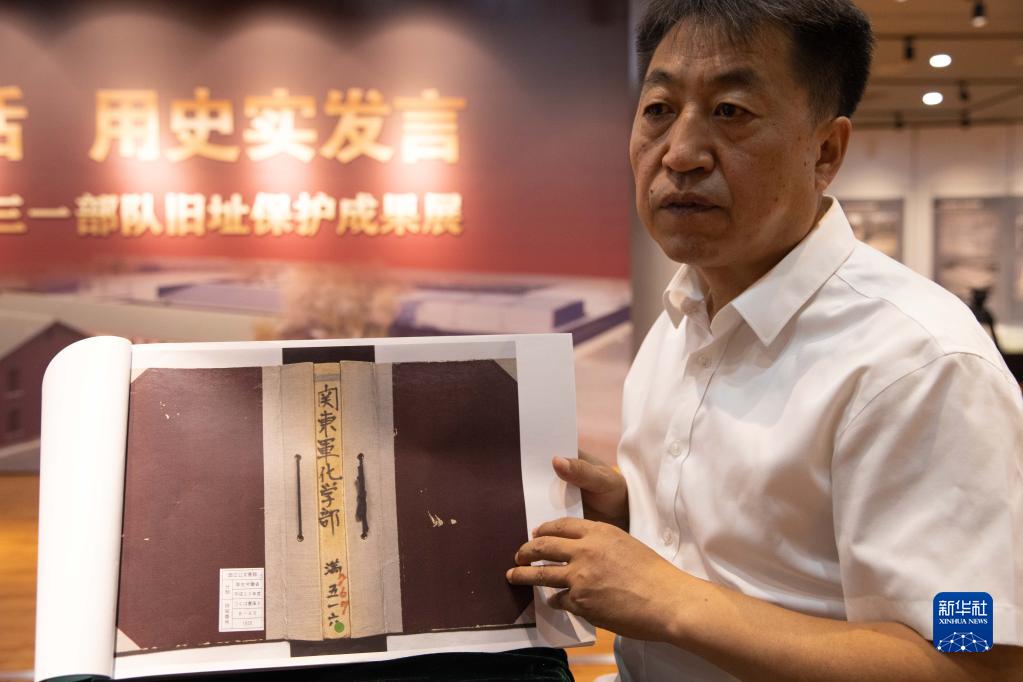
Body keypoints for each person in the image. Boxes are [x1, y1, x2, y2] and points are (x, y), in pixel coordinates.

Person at [506, 1, 1023, 680]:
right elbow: (764, 559)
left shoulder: (919, 363)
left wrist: (671, 600)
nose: (680, 154)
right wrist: (634, 515)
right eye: (658, 109)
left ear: (825, 151)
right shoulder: (680, 319)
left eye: (730, 111)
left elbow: (975, 659)